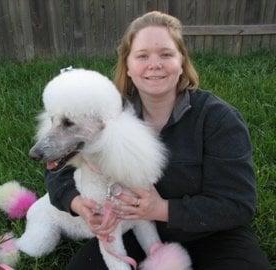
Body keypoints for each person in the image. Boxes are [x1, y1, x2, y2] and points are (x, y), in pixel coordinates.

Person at [45, 11, 271, 269]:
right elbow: (57, 166)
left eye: (166, 54)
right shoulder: (105, 116)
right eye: (142, 56)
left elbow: (238, 204)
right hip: (132, 230)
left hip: (212, 233)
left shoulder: (218, 119)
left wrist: (161, 208)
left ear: (182, 61)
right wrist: (77, 203)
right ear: (128, 66)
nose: (155, 64)